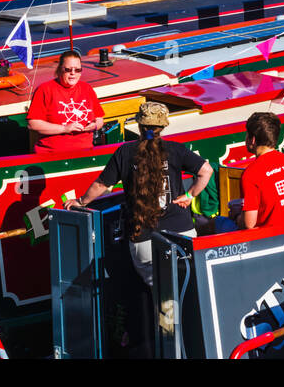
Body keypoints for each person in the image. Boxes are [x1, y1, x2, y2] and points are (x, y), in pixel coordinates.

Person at [68, 101, 212, 287]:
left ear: (139, 125)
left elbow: (101, 184)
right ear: (163, 126)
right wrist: (190, 195)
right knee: (187, 289)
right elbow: (206, 171)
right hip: (181, 233)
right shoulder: (176, 150)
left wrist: (80, 201)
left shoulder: (125, 152)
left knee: (160, 294)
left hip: (143, 237)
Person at [235, 111, 284, 230]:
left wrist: (236, 217)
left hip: (267, 236)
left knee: (215, 223)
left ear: (252, 139)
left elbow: (249, 224)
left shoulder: (250, 174)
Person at [26, 50, 104, 154]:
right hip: (52, 155)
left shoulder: (87, 89)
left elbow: (99, 120)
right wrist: (65, 128)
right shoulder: (45, 90)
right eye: (68, 69)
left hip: (86, 153)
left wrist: (94, 126)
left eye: (77, 70)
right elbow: (33, 124)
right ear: (59, 70)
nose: (73, 73)